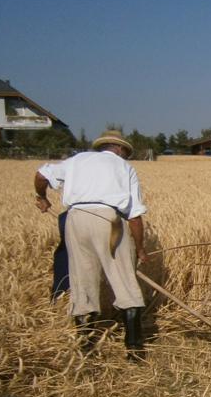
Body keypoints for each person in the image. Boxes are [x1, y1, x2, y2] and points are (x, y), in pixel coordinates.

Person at [34, 129, 149, 360]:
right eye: (125, 152)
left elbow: (40, 175)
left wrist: (43, 197)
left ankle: (86, 345)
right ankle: (134, 348)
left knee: (82, 278)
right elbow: (134, 215)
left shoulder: (77, 160)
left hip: (75, 220)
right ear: (119, 148)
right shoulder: (124, 167)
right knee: (124, 278)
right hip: (109, 221)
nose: (125, 155)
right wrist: (140, 248)